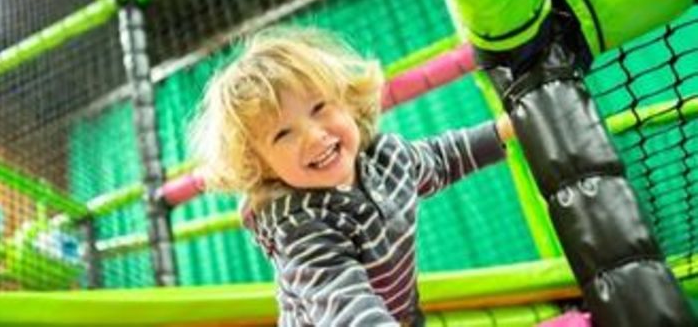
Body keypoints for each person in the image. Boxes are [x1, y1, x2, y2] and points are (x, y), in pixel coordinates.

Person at [189, 26, 515, 326]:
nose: (314, 136)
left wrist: (505, 129)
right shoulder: (300, 226)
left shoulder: (388, 160)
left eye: (319, 108)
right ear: (264, 166)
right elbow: (341, 299)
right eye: (283, 134)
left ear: (347, 101)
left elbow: (442, 158)